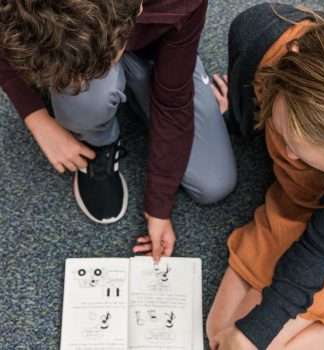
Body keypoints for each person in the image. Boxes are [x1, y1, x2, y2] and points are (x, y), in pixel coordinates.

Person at [0, 0, 236, 261]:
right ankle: (98, 138)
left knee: (214, 183)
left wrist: (159, 205)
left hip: (160, 45)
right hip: (96, 35)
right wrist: (38, 119)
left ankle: (130, 83)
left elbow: (172, 103)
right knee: (86, 97)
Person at [207, 3, 324, 349]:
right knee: (218, 332)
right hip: (300, 203)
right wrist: (235, 118)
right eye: (286, 138)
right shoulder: (259, 31)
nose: (287, 156)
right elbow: (247, 97)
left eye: (305, 157)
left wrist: (256, 334)